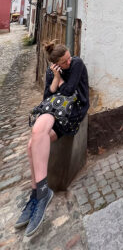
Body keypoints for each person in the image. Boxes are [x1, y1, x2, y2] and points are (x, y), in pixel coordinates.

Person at [15, 40, 89, 237]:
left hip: (72, 111)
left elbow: (69, 91)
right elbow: (47, 96)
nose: (68, 62)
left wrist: (61, 81)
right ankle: (38, 192)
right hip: (55, 109)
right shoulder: (52, 72)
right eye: (63, 62)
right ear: (55, 64)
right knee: (33, 141)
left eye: (68, 58)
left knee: (36, 137)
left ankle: (39, 193)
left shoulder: (77, 64)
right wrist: (56, 77)